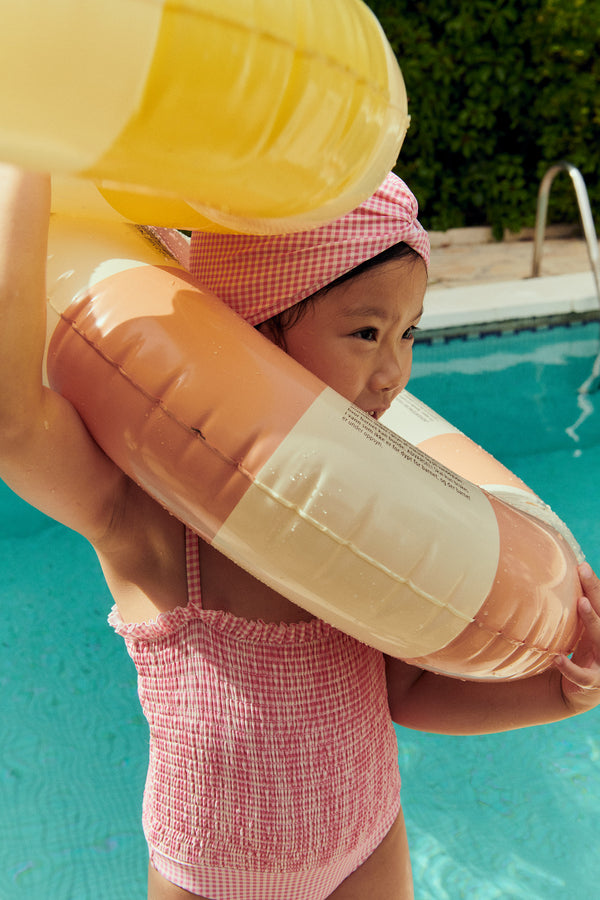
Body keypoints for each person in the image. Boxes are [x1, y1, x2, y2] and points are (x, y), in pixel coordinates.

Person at [1, 162, 600, 900]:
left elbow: (404, 690)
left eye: (409, 332)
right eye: (366, 331)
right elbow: (12, 421)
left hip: (368, 844)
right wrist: (24, 154)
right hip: (213, 875)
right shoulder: (149, 517)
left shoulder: (371, 516)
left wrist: (562, 698)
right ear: (257, 328)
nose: (394, 372)